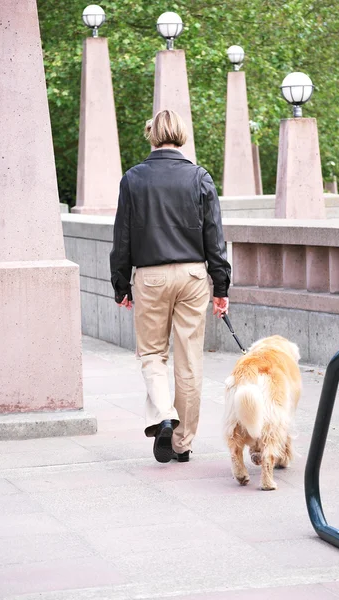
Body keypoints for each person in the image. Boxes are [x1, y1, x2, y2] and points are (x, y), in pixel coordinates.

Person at [110, 109, 231, 464]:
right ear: (181, 135)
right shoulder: (199, 177)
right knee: (189, 361)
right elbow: (215, 237)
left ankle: (164, 414)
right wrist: (220, 286)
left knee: (152, 354)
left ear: (152, 135)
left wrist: (121, 284)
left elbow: (122, 237)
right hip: (193, 276)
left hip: (150, 275)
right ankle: (181, 443)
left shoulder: (133, 179)